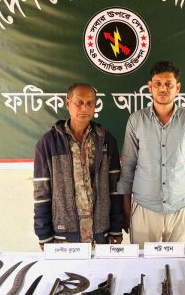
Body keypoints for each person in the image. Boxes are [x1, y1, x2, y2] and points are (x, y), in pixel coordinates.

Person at [117, 61, 185, 245]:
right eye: (158, 84)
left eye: (168, 84)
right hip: (144, 207)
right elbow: (128, 167)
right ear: (150, 87)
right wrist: (126, 207)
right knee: (142, 261)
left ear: (177, 88)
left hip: (180, 207)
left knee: (179, 261)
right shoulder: (136, 120)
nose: (163, 88)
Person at [33, 83, 123, 249]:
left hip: (100, 237)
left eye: (90, 103)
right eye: (79, 102)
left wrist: (116, 229)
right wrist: (44, 235)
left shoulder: (106, 140)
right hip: (63, 237)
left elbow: (115, 188)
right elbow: (42, 193)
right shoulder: (48, 143)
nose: (84, 108)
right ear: (68, 103)